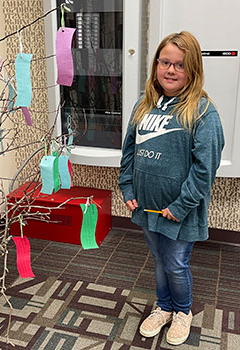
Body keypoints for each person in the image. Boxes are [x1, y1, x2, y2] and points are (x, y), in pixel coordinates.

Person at [118, 31, 224, 346]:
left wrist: (179, 207)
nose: (171, 70)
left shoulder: (203, 112)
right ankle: (164, 307)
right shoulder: (143, 104)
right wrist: (127, 188)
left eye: (180, 65)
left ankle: (182, 312)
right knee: (159, 258)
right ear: (156, 64)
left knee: (176, 262)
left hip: (180, 211)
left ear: (193, 70)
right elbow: (129, 152)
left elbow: (205, 169)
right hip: (147, 206)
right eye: (165, 62)